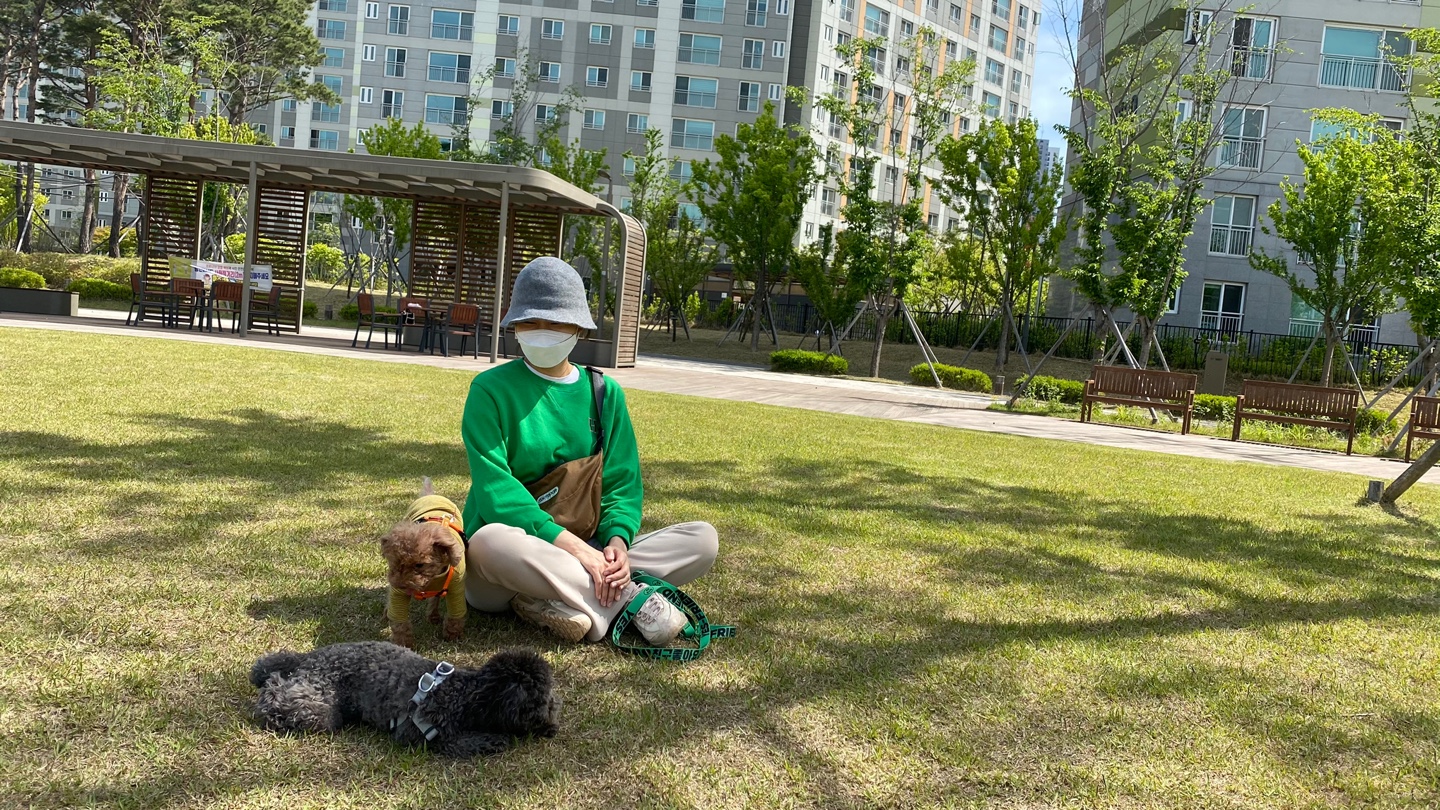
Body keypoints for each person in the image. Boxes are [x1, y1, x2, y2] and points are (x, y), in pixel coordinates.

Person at [460, 256, 719, 644]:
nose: (543, 332)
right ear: (514, 325)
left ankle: (563, 600)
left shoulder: (604, 393)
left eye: (556, 322)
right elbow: (497, 493)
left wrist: (615, 545)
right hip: (509, 565)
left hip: (591, 545)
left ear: (579, 327)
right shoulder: (489, 390)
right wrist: (578, 551)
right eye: (531, 322)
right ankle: (628, 601)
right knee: (487, 543)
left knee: (702, 540)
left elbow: (621, 481)